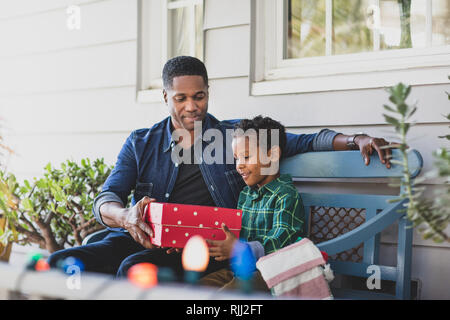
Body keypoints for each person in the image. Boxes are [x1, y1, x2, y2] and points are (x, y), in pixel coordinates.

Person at [47, 56, 393, 280]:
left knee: (133, 270)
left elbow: (300, 140)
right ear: (165, 98)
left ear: (208, 93)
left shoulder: (236, 136)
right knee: (61, 262)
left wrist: (354, 139)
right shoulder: (141, 142)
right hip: (143, 238)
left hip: (206, 248)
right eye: (181, 98)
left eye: (199, 96)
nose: (191, 107)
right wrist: (126, 218)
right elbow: (107, 197)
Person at [199, 116, 305, 291]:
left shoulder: (285, 195)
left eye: (246, 157)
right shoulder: (245, 195)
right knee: (194, 290)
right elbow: (230, 234)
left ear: (273, 154)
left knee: (226, 294)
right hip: (241, 271)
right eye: (236, 158)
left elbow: (281, 241)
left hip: (273, 275)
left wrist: (240, 249)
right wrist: (192, 241)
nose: (239, 165)